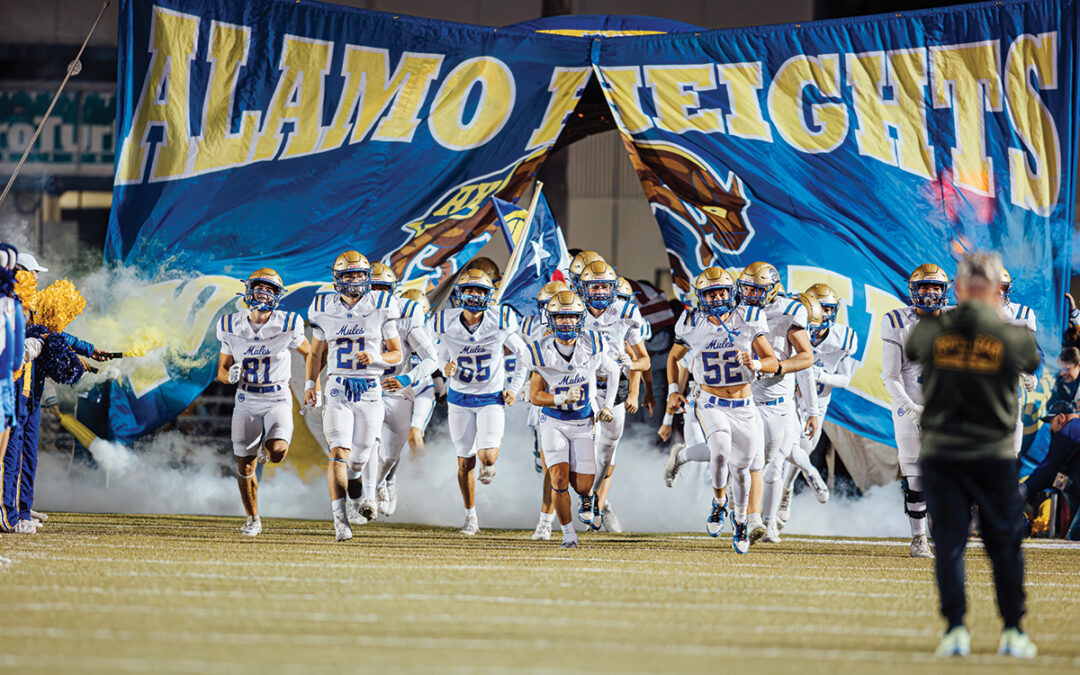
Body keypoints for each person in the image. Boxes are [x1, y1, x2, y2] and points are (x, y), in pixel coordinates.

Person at [906, 251, 1039, 659]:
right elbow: (1029, 359)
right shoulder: (1011, 334)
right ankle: (1014, 630)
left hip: (943, 452)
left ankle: (956, 630)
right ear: (998, 291)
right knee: (1004, 544)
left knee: (949, 543)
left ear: (958, 289)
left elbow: (915, 346)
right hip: (992, 454)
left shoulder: (933, 331)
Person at [666, 267, 777, 554]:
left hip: (744, 404)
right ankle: (718, 503)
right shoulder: (691, 321)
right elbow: (674, 357)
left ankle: (739, 521)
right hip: (711, 401)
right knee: (720, 452)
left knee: (741, 468)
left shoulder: (750, 317)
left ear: (732, 292)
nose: (717, 297)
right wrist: (673, 391)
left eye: (722, 292)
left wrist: (755, 364)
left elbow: (773, 361)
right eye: (710, 293)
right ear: (700, 296)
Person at [305, 251, 403, 542]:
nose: (355, 280)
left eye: (360, 275)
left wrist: (374, 358)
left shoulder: (383, 305)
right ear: (337, 278)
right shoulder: (323, 306)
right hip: (338, 386)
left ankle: (358, 479)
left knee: (358, 460)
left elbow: (396, 353)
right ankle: (340, 521)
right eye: (348, 275)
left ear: (368, 277)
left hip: (370, 388)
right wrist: (312, 383)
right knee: (338, 452)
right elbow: (316, 353)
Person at [431, 269, 528, 535]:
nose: (474, 296)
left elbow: (524, 355)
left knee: (487, 456)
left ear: (489, 295)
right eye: (470, 290)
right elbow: (439, 352)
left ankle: (490, 465)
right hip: (460, 398)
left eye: (480, 291)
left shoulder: (499, 321)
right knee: (464, 462)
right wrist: (445, 367)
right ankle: (470, 516)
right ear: (460, 294)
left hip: (490, 397)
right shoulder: (446, 322)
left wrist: (514, 388)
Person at [216, 269, 309, 537]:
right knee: (245, 464)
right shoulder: (230, 324)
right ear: (248, 290)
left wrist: (313, 383)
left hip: (277, 395)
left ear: (277, 296)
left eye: (269, 289)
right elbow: (222, 371)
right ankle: (253, 518)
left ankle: (266, 452)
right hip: (246, 397)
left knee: (278, 451)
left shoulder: (289, 322)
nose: (263, 293)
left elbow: (310, 353)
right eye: (258, 287)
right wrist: (229, 375)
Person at [527, 291, 619, 548]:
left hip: (584, 421)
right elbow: (535, 395)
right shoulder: (539, 350)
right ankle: (568, 534)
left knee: (582, 485)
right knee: (557, 479)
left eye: (571, 317)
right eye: (560, 317)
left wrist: (608, 405)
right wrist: (560, 398)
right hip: (553, 421)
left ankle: (587, 497)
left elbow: (614, 370)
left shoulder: (594, 343)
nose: (566, 322)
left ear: (580, 318)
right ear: (551, 319)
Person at [737, 262, 818, 544]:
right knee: (745, 460)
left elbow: (807, 357)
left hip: (775, 398)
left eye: (757, 290)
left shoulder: (788, 310)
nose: (750, 294)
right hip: (741, 395)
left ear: (773, 290)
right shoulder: (735, 308)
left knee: (771, 464)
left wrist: (777, 367)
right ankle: (747, 518)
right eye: (746, 288)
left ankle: (767, 522)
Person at [881, 263, 950, 558]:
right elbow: (890, 376)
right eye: (924, 287)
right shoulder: (896, 320)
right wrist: (912, 409)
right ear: (913, 290)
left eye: (936, 287)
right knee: (914, 470)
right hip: (910, 401)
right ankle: (919, 538)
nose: (930, 292)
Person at [578, 260, 650, 532]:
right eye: (594, 286)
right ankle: (580, 503)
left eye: (605, 286)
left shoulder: (626, 313)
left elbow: (643, 359)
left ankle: (594, 500)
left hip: (614, 386)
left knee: (607, 453)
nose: (599, 292)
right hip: (581, 385)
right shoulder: (572, 310)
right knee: (583, 445)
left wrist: (630, 366)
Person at [778, 284, 854, 527]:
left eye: (830, 309)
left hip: (818, 404)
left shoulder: (842, 338)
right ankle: (780, 497)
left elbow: (845, 379)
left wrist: (818, 376)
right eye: (821, 308)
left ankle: (787, 490)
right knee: (783, 452)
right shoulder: (792, 328)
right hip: (789, 401)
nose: (825, 314)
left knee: (805, 450)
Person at [373, 266, 439, 518]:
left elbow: (434, 360)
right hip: (375, 384)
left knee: (406, 437)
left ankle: (401, 480)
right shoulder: (361, 313)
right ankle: (371, 489)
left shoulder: (418, 323)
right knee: (369, 441)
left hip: (412, 387)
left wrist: (440, 382)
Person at [522, 280, 569, 541]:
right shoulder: (531, 328)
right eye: (545, 307)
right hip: (546, 400)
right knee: (550, 465)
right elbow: (518, 359)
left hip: (579, 402)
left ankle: (597, 504)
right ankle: (546, 520)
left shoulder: (581, 333)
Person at [1021, 400, 1080, 541]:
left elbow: (1049, 468)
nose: (1051, 427)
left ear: (1061, 417)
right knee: (1066, 486)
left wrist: (1024, 489)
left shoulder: (1069, 430)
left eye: (1051, 421)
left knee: (1076, 535)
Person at [999, 267, 1041, 456]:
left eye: (1001, 287)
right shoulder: (967, 314)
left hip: (1008, 393)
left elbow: (1037, 353)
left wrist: (1035, 376)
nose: (997, 292)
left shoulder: (1021, 313)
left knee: (1009, 452)